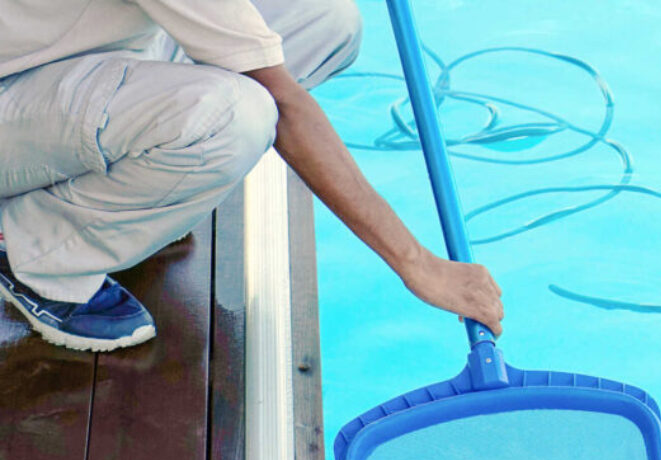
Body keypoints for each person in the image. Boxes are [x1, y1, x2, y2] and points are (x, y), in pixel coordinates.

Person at [0, 0, 504, 352]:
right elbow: (284, 102)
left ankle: (116, 197)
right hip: (14, 93)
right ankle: (32, 248)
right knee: (232, 117)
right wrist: (416, 262)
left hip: (86, 50)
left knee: (328, 21)